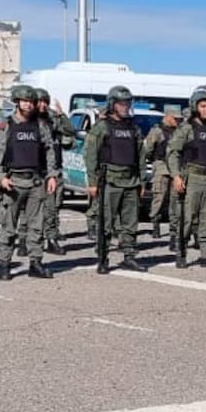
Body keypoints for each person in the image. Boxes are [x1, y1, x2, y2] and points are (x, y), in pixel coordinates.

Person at [0, 85, 60, 281]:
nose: (28, 105)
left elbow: (49, 151)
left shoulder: (40, 126)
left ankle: (36, 263)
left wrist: (52, 175)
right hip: (13, 181)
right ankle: (4, 264)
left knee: (36, 226)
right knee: (8, 225)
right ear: (17, 102)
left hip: (36, 181)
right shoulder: (6, 126)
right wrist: (0, 176)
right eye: (24, 102)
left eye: (31, 102)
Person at [84, 85, 146, 275]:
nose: (125, 106)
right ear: (112, 104)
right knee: (106, 223)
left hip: (131, 181)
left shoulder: (133, 128)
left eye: (127, 103)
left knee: (130, 223)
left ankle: (129, 256)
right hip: (109, 181)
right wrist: (93, 183)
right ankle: (103, 258)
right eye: (121, 103)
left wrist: (142, 180)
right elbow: (91, 156)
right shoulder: (101, 128)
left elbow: (140, 155)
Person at [167, 87, 206, 269]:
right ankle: (181, 252)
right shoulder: (186, 129)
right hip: (191, 178)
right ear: (195, 107)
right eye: (203, 106)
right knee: (186, 219)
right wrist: (176, 176)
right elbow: (172, 153)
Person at [35, 89, 75, 255]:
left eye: (45, 101)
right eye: (39, 101)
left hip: (52, 169)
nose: (43, 105)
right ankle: (25, 240)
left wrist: (61, 115)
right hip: (33, 169)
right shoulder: (27, 120)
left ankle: (51, 239)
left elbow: (69, 130)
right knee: (29, 209)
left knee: (51, 207)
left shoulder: (52, 118)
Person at [142, 109, 180, 245]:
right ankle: (155, 224)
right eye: (175, 118)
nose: (177, 121)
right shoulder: (157, 131)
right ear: (168, 117)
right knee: (159, 196)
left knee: (175, 200)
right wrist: (155, 161)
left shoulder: (178, 132)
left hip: (175, 169)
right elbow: (148, 150)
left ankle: (173, 228)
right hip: (162, 166)